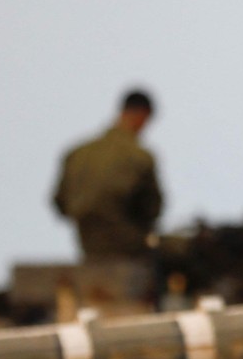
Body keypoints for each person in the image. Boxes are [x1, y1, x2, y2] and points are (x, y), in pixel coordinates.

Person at [52, 89, 164, 261]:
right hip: (129, 248)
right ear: (143, 115)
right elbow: (152, 208)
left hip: (87, 246)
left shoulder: (77, 153)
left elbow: (59, 203)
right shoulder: (140, 156)